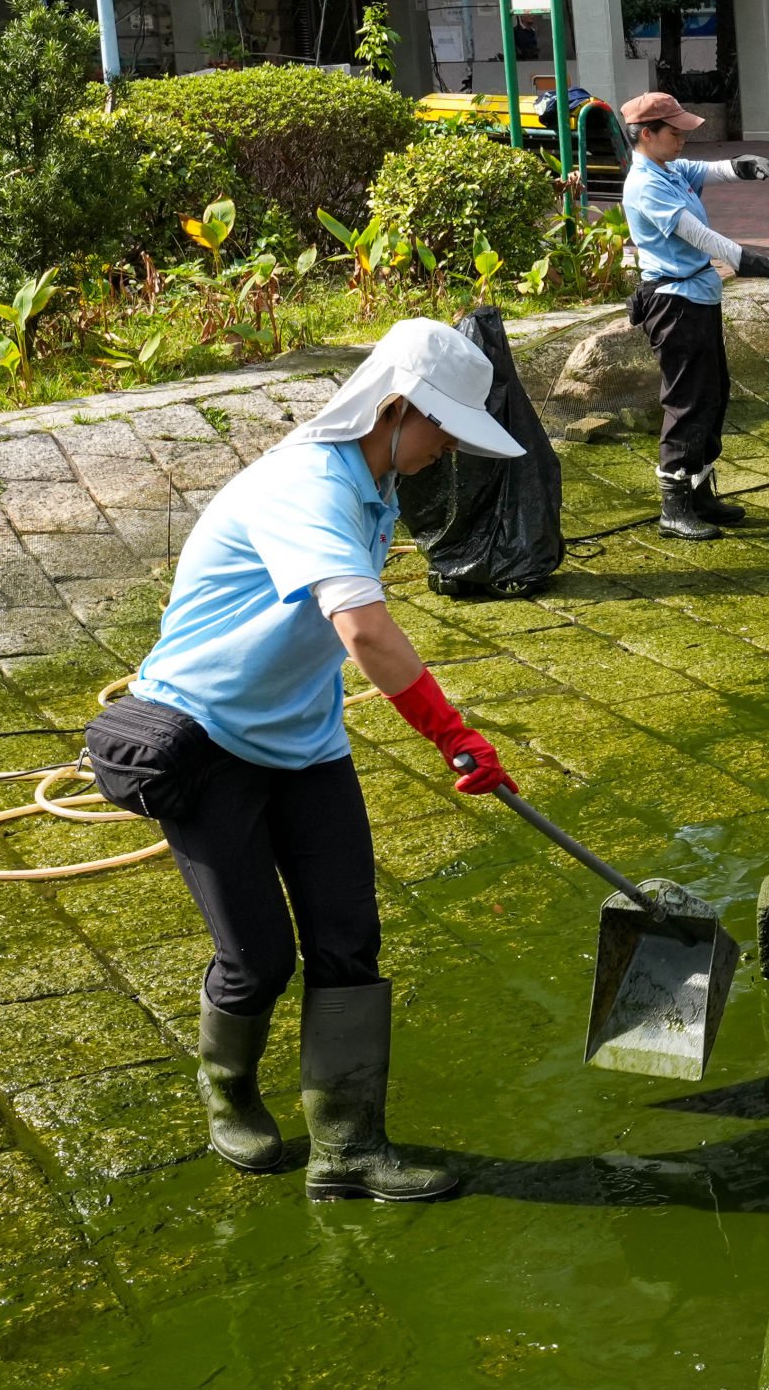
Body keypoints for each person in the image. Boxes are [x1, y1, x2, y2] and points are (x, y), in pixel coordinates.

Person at [90, 320, 525, 1202]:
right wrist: (451, 732)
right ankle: (227, 1093)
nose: (444, 448)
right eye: (440, 429)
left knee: (348, 942)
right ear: (396, 408)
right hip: (204, 738)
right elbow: (363, 630)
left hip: (305, 738)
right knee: (259, 958)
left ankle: (349, 1147)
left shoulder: (373, 484)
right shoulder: (303, 486)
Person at [619, 89, 769, 540]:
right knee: (686, 400)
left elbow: (713, 170)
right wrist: (759, 263)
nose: (683, 140)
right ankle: (673, 507)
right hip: (673, 303)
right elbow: (699, 236)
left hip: (697, 294)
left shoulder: (669, 168)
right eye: (675, 132)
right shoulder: (645, 184)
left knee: (714, 392)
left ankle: (700, 490)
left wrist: (750, 164)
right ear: (647, 134)